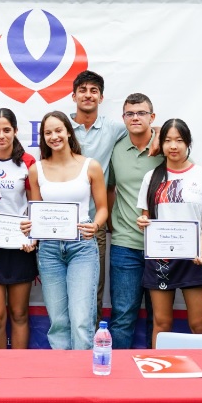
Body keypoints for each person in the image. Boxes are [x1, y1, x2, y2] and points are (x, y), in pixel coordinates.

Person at [20, 111, 107, 350]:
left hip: (82, 246)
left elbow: (102, 209)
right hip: (49, 249)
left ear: (68, 131)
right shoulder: (36, 169)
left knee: (81, 320)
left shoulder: (91, 166)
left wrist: (95, 225)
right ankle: (63, 378)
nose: (54, 136)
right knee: (58, 321)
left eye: (58, 130)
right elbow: (35, 212)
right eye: (48, 132)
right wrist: (30, 230)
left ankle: (83, 380)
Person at [135, 119, 202, 345]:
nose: (173, 146)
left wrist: (201, 245)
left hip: (193, 258)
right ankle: (159, 373)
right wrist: (142, 221)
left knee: (199, 324)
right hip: (161, 257)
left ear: (188, 143)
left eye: (179, 140)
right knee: (162, 323)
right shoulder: (151, 177)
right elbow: (145, 216)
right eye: (167, 140)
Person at [108, 93, 164, 348]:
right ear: (123, 118)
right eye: (130, 113)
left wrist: (162, 134)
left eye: (141, 113)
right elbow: (109, 189)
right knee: (122, 316)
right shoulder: (116, 149)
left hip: (162, 245)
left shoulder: (168, 145)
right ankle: (117, 379)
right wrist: (111, 223)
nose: (135, 118)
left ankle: (159, 371)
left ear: (152, 117)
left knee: (160, 318)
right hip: (125, 244)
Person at [69, 71, 127, 317]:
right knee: (61, 290)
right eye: (83, 90)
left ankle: (89, 349)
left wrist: (156, 138)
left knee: (93, 290)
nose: (88, 95)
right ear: (74, 96)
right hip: (61, 223)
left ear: (101, 98)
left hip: (95, 224)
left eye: (94, 91)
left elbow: (147, 128)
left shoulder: (114, 128)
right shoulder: (61, 127)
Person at [0, 108, 37, 349]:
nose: (1, 135)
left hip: (20, 246)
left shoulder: (28, 162)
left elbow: (35, 205)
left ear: (15, 131)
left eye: (7, 130)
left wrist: (33, 237)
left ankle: (18, 371)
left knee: (19, 314)